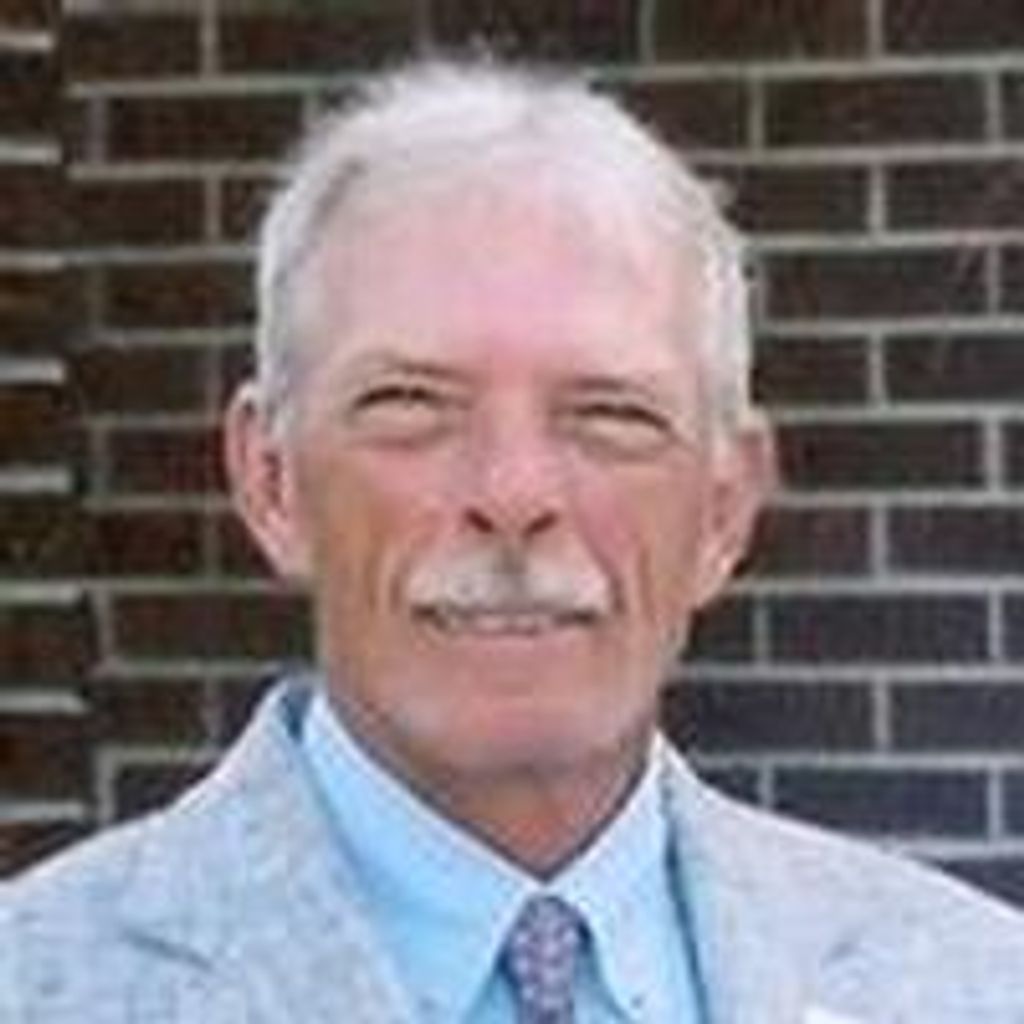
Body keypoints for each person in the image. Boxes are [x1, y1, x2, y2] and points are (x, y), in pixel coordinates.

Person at [2, 59, 1023, 1024]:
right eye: (411, 405)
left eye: (610, 414)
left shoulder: (973, 981)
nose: (513, 493)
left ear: (723, 508)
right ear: (271, 482)